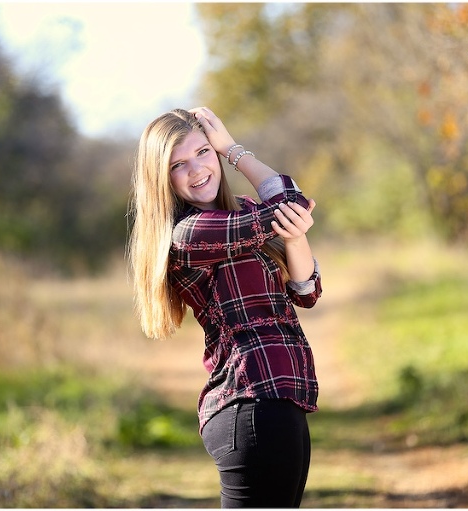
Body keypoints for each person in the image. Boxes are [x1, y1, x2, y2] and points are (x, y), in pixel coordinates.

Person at [128, 106, 322, 508]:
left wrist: (296, 236)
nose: (197, 169)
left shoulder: (246, 212)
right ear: (162, 180)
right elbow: (291, 203)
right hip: (251, 405)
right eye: (178, 165)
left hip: (280, 401)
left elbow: (306, 292)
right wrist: (233, 149)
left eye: (203, 152)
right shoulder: (190, 233)